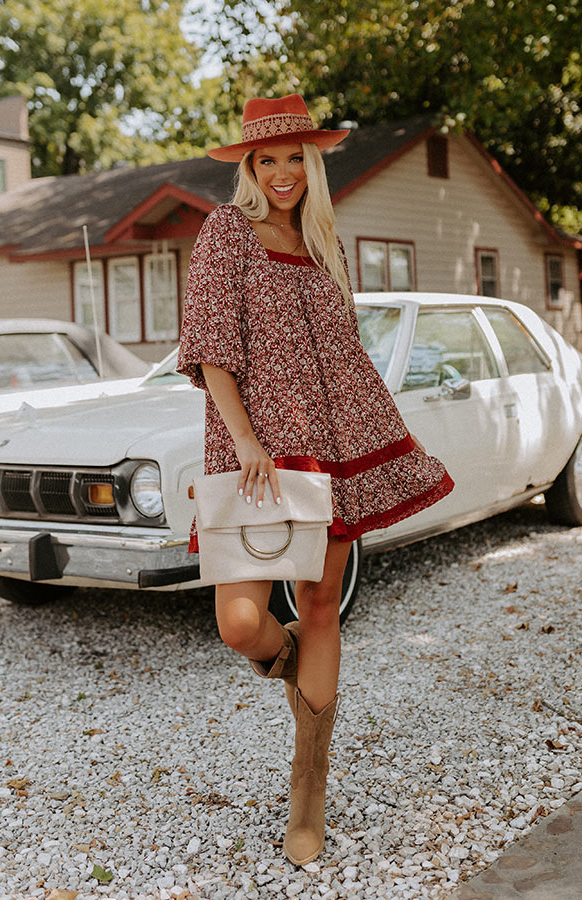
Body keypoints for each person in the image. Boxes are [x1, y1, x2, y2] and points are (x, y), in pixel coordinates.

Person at [176, 93, 454, 866]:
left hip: (329, 447)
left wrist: (379, 446)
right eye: (266, 159)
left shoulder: (326, 241)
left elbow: (344, 361)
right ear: (249, 166)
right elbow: (209, 347)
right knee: (240, 624)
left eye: (296, 157)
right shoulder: (225, 232)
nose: (282, 172)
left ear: (314, 162)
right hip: (251, 455)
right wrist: (245, 441)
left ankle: (308, 787)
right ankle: (296, 661)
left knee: (325, 601)